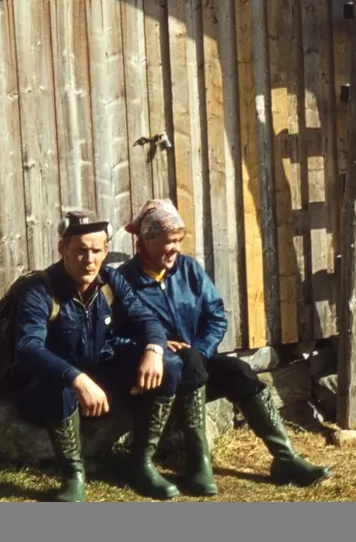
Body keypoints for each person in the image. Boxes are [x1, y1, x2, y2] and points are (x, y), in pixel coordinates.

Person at [117, 199, 332, 496]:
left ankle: (285, 459)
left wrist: (202, 352)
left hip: (196, 362)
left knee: (240, 371)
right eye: (169, 242)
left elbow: (216, 316)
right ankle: (197, 462)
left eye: (179, 241)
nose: (176, 248)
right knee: (188, 362)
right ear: (148, 240)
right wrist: (156, 345)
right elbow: (115, 336)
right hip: (158, 375)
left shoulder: (189, 269)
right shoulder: (126, 280)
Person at [14, 209, 182, 502]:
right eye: (80, 250)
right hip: (51, 390)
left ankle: (141, 463)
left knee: (170, 363)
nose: (89, 259)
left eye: (96, 250)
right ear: (62, 249)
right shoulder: (40, 288)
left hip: (102, 374)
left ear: (105, 251)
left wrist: (155, 349)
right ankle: (73, 476)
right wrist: (75, 378)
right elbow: (28, 348)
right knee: (58, 383)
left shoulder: (110, 280)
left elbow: (147, 319)